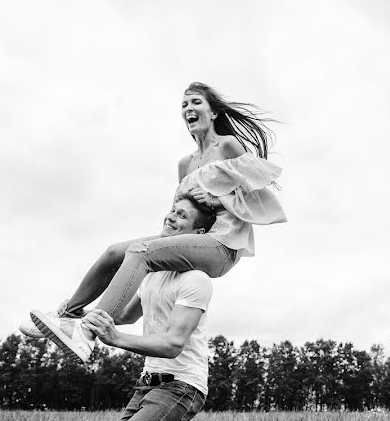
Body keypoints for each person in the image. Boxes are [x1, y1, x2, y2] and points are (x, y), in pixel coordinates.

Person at [21, 82, 285, 344]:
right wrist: (166, 235)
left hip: (222, 245)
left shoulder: (228, 146)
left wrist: (218, 200)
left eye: (195, 102)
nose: (188, 109)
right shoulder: (185, 164)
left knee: (141, 252)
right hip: (195, 239)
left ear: (213, 112)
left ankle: (86, 332)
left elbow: (257, 198)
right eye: (184, 105)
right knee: (115, 252)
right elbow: (182, 210)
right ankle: (68, 316)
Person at [40, 195, 215, 421]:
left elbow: (172, 343)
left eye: (182, 216)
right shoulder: (154, 273)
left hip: (182, 387)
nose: (171, 217)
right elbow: (123, 316)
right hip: (148, 385)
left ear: (197, 234)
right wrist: (81, 312)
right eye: (171, 211)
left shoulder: (197, 279)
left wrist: (116, 339)